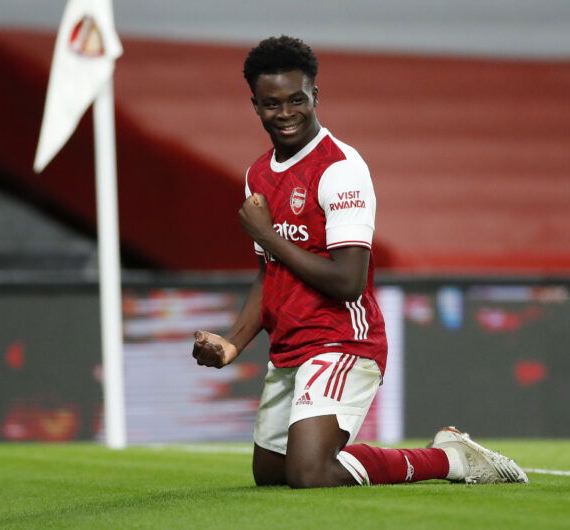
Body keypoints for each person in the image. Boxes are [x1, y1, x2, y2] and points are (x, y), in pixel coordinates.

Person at [191, 35, 528, 488]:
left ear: (315, 95)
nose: (286, 113)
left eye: (297, 99)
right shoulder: (258, 174)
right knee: (271, 475)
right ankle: (426, 454)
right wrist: (233, 343)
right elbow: (268, 273)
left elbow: (348, 281)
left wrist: (266, 233)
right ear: (255, 106)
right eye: (272, 104)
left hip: (342, 340)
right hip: (290, 346)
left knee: (310, 473)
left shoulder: (340, 169)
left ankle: (448, 459)